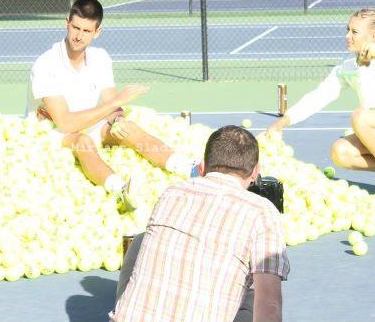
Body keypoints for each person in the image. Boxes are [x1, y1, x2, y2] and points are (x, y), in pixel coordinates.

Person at [29, 0, 198, 210]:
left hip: (89, 123)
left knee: (128, 128)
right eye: (75, 28)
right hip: (52, 132)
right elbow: (65, 123)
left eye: (86, 31)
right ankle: (119, 191)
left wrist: (118, 120)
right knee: (83, 141)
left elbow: (112, 105)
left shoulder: (100, 58)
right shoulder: (46, 64)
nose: (79, 36)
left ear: (97, 32)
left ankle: (191, 169)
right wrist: (117, 101)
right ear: (67, 24)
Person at [111, 125, 290, 322]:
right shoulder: (262, 211)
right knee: (253, 297)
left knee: (139, 241)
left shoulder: (172, 193)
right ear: (255, 172)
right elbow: (269, 305)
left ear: (202, 166)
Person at [267, 8, 375, 203]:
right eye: (348, 30)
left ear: (373, 36)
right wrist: (283, 122)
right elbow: (320, 95)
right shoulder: (349, 65)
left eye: (354, 32)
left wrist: (366, 64)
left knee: (361, 117)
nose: (347, 36)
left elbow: (371, 98)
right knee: (340, 152)